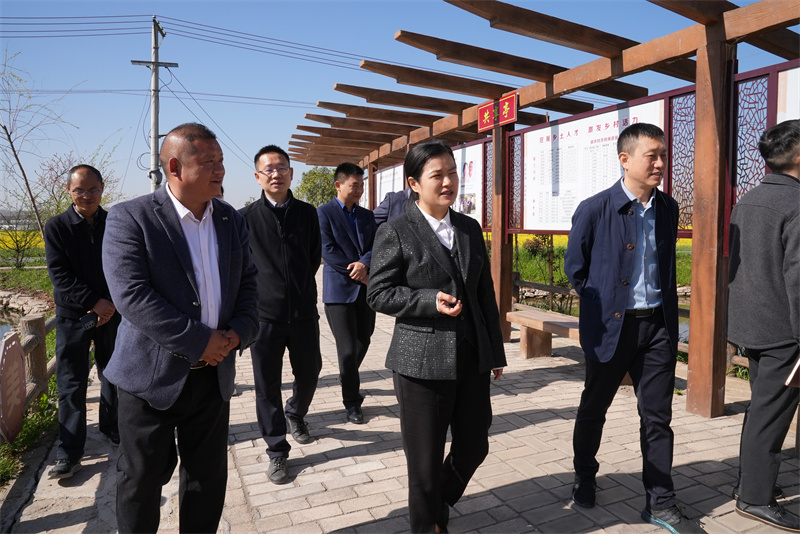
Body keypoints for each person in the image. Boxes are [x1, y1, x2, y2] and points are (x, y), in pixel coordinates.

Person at [102, 123, 259, 533]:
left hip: (213, 375)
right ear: (174, 167)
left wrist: (237, 333)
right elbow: (131, 295)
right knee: (141, 479)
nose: (220, 170)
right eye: (208, 162)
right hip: (149, 378)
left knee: (207, 479)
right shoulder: (131, 217)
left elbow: (248, 284)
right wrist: (199, 340)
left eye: (221, 161)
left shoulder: (230, 219)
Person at [564, 123, 704, 533]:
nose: (660, 163)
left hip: (657, 328)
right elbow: (576, 269)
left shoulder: (668, 208)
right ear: (625, 160)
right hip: (611, 329)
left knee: (657, 417)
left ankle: (660, 501)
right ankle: (584, 476)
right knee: (594, 409)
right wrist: (604, 304)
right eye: (652, 156)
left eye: (664, 155)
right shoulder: (595, 208)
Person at [367, 140, 506, 533]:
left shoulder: (468, 227)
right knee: (424, 463)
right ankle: (428, 522)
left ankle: (436, 501)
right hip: (420, 364)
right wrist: (428, 300)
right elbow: (378, 293)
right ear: (414, 183)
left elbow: (484, 294)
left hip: (471, 357)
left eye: (452, 173)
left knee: (474, 445)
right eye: (437, 175)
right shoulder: (396, 231)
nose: (448, 182)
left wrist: (495, 351)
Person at [728, 119, 800, 532]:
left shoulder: (749, 199)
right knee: (769, 416)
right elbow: (797, 279)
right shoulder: (796, 203)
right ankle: (755, 499)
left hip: (753, 325)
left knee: (760, 409)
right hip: (784, 331)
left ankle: (749, 484)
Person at [239, 144, 322, 485]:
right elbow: (241, 268)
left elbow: (314, 257)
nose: (276, 174)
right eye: (269, 169)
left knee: (311, 372)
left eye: (282, 167)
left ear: (291, 172)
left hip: (303, 314)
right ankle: (276, 450)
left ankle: (296, 413)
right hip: (264, 318)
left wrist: (299, 291)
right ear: (258, 176)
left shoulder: (308, 213)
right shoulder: (245, 218)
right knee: (266, 386)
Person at [44, 164, 120, 479]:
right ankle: (70, 452)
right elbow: (59, 274)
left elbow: (123, 265)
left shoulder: (115, 223)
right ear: (69, 191)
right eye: (79, 190)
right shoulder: (57, 226)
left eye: (92, 189)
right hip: (73, 316)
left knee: (113, 375)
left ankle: (113, 428)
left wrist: (109, 304)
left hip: (112, 314)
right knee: (71, 383)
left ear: (102, 189)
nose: (86, 195)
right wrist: (93, 302)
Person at [318, 163, 377, 424]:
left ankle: (347, 377)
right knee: (347, 349)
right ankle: (352, 401)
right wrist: (356, 270)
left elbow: (376, 245)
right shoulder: (323, 213)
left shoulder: (366, 216)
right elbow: (327, 250)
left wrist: (365, 264)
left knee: (364, 340)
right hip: (339, 291)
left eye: (361, 185)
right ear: (338, 185)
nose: (359, 190)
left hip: (365, 290)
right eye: (354, 185)